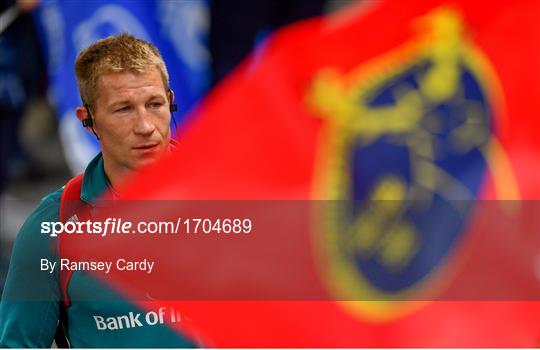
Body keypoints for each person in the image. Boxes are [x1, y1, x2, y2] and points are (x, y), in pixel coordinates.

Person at [0, 33, 195, 347]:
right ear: (88, 120)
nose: (145, 126)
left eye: (155, 104)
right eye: (123, 109)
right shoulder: (53, 228)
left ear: (170, 101)